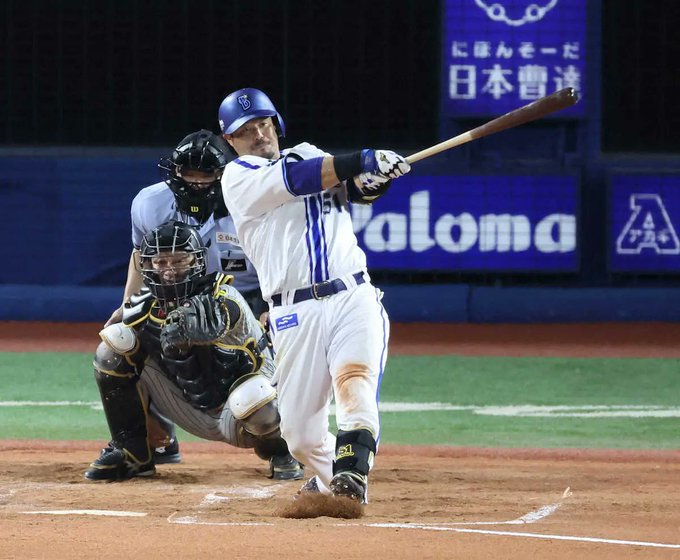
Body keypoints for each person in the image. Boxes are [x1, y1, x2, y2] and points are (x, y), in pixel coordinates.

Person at [217, 87, 411, 504]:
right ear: (230, 140)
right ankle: (330, 481)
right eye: (246, 130)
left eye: (263, 124)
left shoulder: (308, 153)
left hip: (352, 296)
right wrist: (363, 159)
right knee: (300, 435)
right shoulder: (238, 177)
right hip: (293, 312)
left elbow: (355, 189)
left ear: (276, 124)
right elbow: (300, 179)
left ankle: (351, 475)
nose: (258, 134)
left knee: (354, 383)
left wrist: (376, 177)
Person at [85, 220, 303, 482]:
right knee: (115, 345)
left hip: (246, 413)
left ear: (197, 261)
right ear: (148, 265)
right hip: (190, 407)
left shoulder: (224, 296)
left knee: (253, 395)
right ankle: (132, 453)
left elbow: (223, 318)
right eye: (160, 262)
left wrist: (193, 328)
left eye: (179, 261)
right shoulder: (141, 308)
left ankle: (283, 452)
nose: (169, 271)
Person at [105, 129, 268, 466]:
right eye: (187, 172)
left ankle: (280, 441)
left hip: (244, 300)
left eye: (204, 174)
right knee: (123, 341)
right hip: (173, 297)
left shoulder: (253, 206)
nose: (195, 181)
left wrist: (272, 310)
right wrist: (127, 303)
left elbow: (278, 263)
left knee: (260, 366)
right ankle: (152, 441)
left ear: (223, 174)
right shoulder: (150, 203)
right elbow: (141, 256)